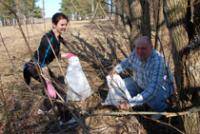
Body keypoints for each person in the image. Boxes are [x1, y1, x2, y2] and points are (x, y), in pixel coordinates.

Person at [23, 12, 75, 124]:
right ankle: (65, 118)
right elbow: (41, 62)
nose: (64, 27)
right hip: (35, 67)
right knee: (59, 90)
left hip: (40, 65)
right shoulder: (48, 40)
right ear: (54, 25)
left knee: (55, 87)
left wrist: (67, 55)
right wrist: (49, 83)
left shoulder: (57, 37)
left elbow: (53, 54)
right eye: (62, 25)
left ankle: (44, 109)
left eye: (66, 24)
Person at [107, 36, 174, 118]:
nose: (139, 51)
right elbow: (127, 62)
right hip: (139, 82)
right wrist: (116, 70)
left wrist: (130, 103)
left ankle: (162, 109)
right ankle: (124, 104)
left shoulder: (158, 61)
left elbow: (152, 91)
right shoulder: (135, 53)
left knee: (151, 99)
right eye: (137, 48)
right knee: (121, 86)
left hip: (160, 89)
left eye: (143, 48)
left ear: (151, 48)